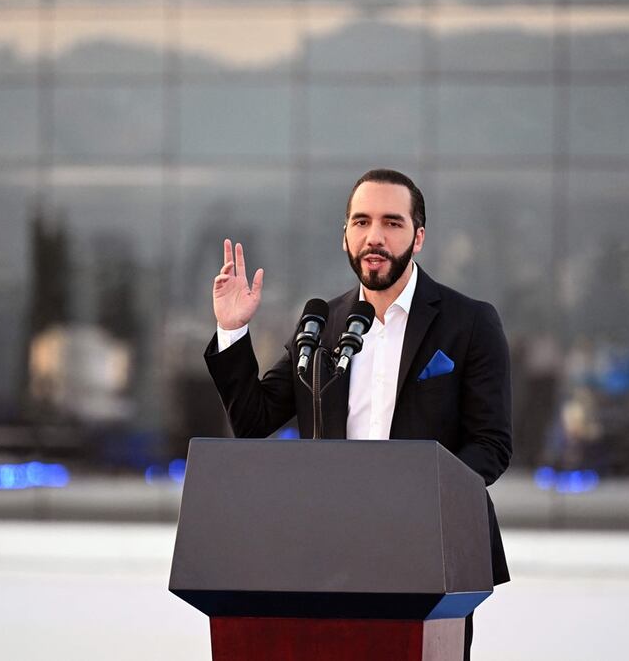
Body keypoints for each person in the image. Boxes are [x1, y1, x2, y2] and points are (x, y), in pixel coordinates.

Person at [204, 168, 512, 660]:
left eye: (392, 222)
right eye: (362, 221)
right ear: (344, 234)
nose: (375, 237)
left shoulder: (469, 321)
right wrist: (232, 330)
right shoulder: (321, 325)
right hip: (326, 551)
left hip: (429, 553)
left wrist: (414, 499)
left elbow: (491, 447)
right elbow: (254, 419)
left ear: (419, 236)